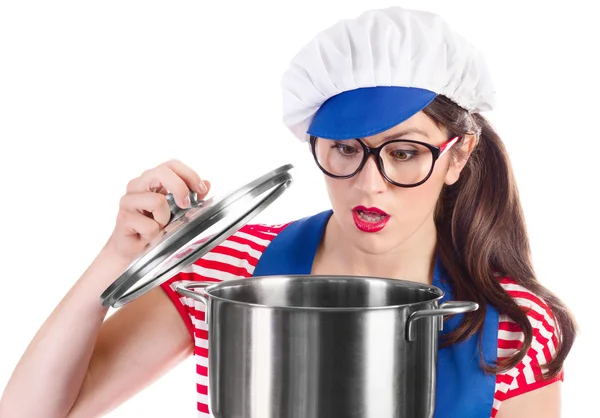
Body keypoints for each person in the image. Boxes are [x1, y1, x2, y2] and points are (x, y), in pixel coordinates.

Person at [0, 6, 576, 418]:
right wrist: (117, 257)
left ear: (458, 156)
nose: (370, 185)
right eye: (346, 151)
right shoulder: (232, 268)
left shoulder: (515, 326)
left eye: (404, 153)